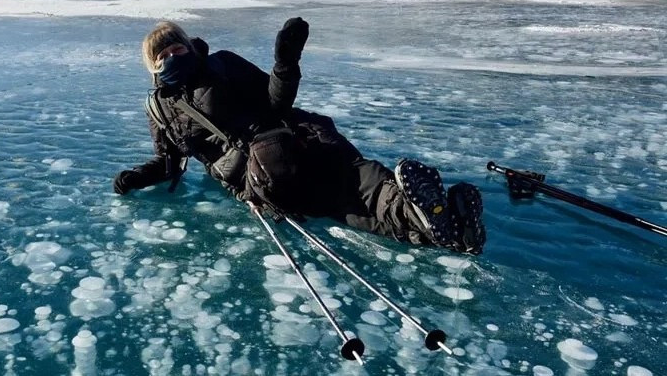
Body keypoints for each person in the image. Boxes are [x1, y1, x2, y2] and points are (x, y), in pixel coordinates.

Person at [113, 18, 486, 255]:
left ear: (189, 46)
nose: (173, 55)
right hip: (262, 174)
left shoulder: (222, 63)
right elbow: (169, 163)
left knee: (364, 178)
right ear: (153, 67)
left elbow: (275, 99)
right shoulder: (161, 109)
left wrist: (285, 66)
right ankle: (430, 220)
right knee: (341, 202)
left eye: (177, 47)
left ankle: (441, 224)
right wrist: (137, 178)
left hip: (303, 136)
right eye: (162, 54)